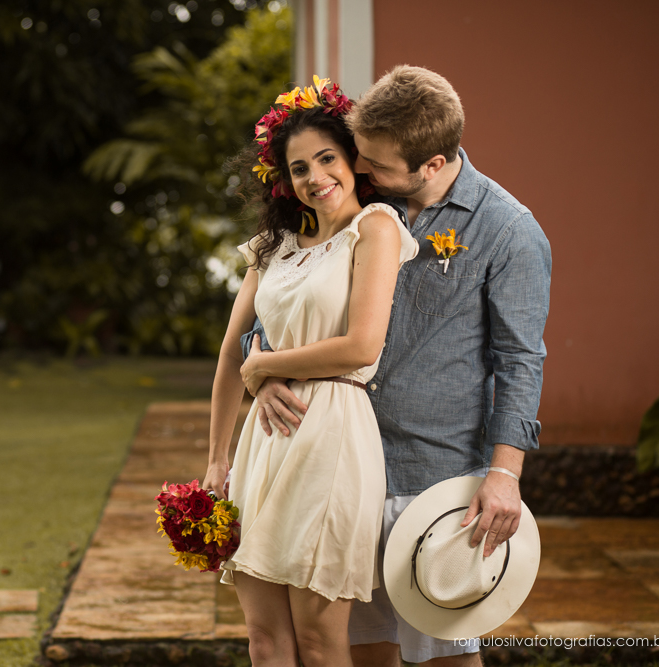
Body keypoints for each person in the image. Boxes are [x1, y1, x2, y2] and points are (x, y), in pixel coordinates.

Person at [249, 65, 552, 666]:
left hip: (436, 476)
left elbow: (520, 361)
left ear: (432, 164)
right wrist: (262, 364)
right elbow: (293, 290)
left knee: (447, 657)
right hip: (341, 472)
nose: (360, 170)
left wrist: (505, 474)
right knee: (365, 653)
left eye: (376, 163)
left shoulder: (509, 232)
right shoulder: (365, 202)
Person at [202, 76, 419, 667]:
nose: (315, 176)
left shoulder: (374, 227)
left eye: (327, 158)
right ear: (284, 179)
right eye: (298, 168)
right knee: (264, 640)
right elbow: (231, 355)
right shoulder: (272, 247)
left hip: (333, 434)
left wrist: (265, 364)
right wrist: (218, 459)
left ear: (353, 159)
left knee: (322, 644)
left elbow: (361, 345)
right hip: (264, 445)